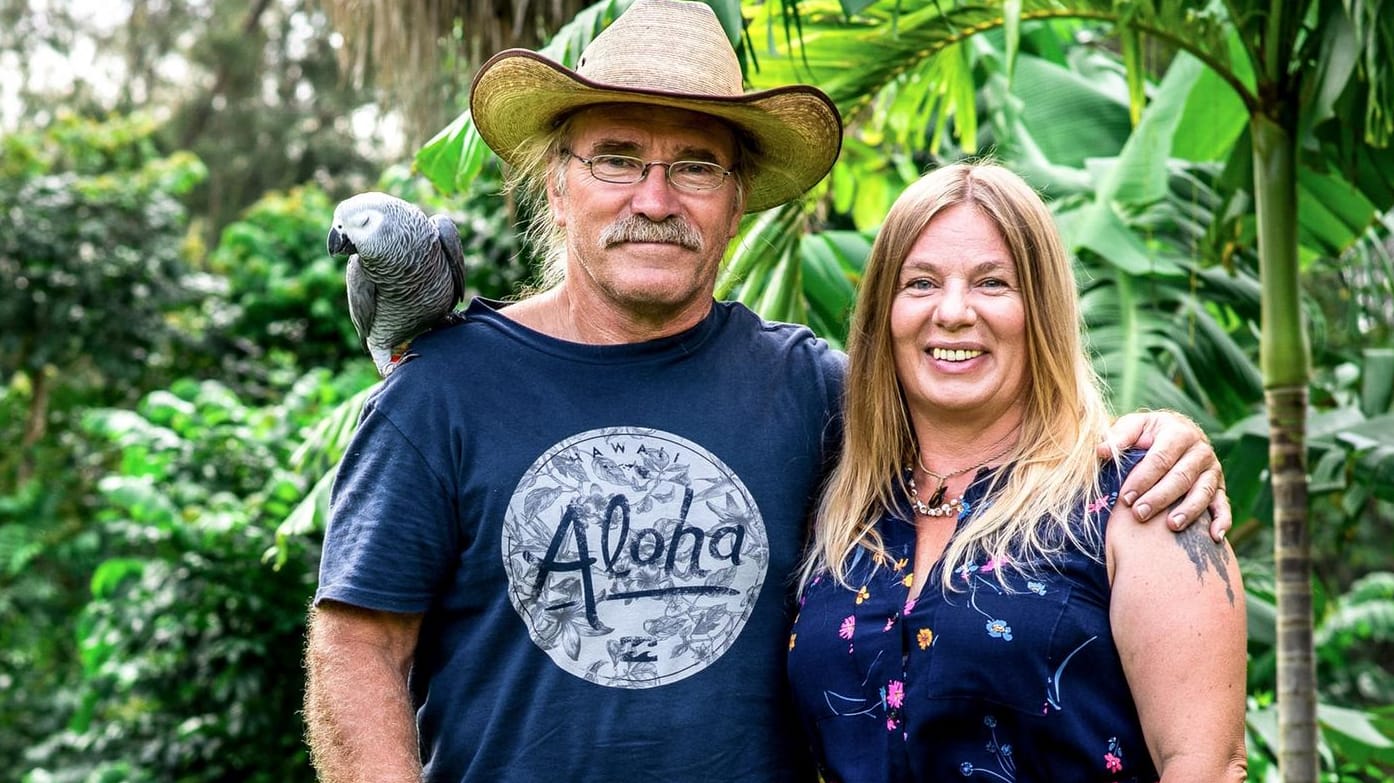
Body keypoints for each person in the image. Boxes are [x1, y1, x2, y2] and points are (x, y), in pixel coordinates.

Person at [302, 2, 1231, 781]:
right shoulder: (442, 391)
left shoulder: (814, 392)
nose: (656, 198)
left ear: (737, 200)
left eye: (696, 166)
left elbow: (996, 433)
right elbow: (356, 650)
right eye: (617, 158)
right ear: (557, 182)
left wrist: (1160, 438)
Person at [786, 162, 1248, 782]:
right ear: (883, 314)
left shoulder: (1141, 495)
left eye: (993, 283)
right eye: (920, 283)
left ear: (1042, 309)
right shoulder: (841, 511)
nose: (953, 312)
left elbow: (1207, 768)